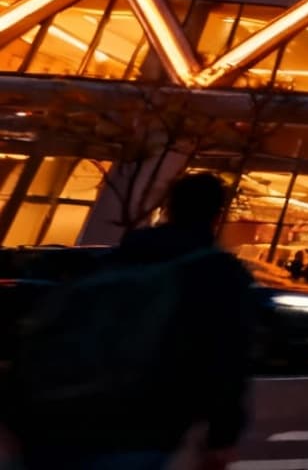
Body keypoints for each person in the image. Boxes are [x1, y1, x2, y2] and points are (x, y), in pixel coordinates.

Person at [4, 173, 254, 470]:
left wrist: (16, 411)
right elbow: (226, 357)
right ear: (218, 214)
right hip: (139, 425)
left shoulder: (114, 260)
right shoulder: (216, 272)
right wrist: (222, 437)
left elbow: (48, 326)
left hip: (52, 418)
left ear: (169, 207)